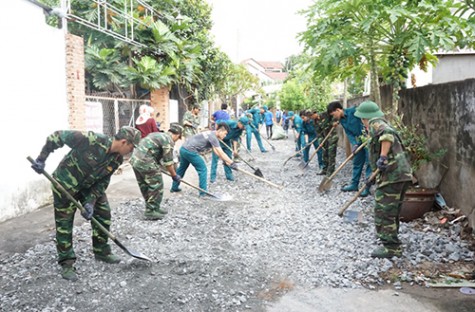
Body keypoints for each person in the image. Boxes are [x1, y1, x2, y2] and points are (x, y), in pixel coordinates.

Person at [30, 127, 141, 281]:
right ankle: (67, 262)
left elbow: (102, 182)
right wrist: (42, 158)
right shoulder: (91, 140)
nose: (131, 150)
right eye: (132, 147)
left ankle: (101, 250)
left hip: (89, 187)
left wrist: (90, 202)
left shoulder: (117, 159)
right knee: (64, 223)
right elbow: (57, 136)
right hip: (65, 184)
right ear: (124, 142)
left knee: (103, 213)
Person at [354, 100, 413, 258]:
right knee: (391, 211)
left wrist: (382, 157)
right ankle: (392, 242)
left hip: (393, 176)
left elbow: (387, 135)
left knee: (383, 211)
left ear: (363, 118)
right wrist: (374, 175)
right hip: (400, 174)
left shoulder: (376, 123)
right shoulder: (378, 124)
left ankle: (391, 248)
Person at [130, 124, 183, 220]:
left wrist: (159, 166)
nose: (177, 140)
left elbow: (156, 154)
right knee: (157, 185)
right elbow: (168, 163)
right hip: (145, 161)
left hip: (135, 160)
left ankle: (154, 208)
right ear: (176, 134)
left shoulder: (158, 134)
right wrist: (174, 176)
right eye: (178, 138)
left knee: (145, 184)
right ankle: (151, 211)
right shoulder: (168, 140)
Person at [171, 122, 238, 196]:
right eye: (225, 133)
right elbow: (221, 152)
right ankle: (203, 193)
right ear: (220, 131)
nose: (225, 136)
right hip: (190, 151)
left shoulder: (211, 134)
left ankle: (174, 187)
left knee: (181, 169)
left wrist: (226, 161)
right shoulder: (213, 137)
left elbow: (216, 151)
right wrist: (232, 163)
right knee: (203, 169)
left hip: (183, 149)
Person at [327, 101, 372, 197]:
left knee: (369, 163)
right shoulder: (342, 121)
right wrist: (354, 144)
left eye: (333, 114)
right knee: (357, 162)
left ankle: (367, 187)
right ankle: (354, 184)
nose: (333, 117)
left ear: (338, 110)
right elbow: (349, 133)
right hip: (359, 140)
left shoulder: (354, 111)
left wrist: (367, 135)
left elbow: (364, 123)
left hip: (368, 138)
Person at [210, 117, 249, 183]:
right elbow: (217, 123)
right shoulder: (230, 123)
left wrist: (235, 149)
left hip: (227, 141)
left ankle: (229, 175)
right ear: (239, 123)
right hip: (218, 140)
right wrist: (216, 134)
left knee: (228, 158)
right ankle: (212, 177)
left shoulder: (240, 129)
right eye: (243, 125)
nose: (244, 127)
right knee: (215, 158)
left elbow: (235, 138)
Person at [317, 111, 338, 176]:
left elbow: (335, 117)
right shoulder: (315, 121)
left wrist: (334, 122)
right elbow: (319, 133)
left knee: (331, 154)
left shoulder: (325, 114)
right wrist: (320, 142)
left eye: (311, 116)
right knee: (324, 154)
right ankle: (325, 169)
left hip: (332, 137)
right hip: (324, 138)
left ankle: (331, 172)